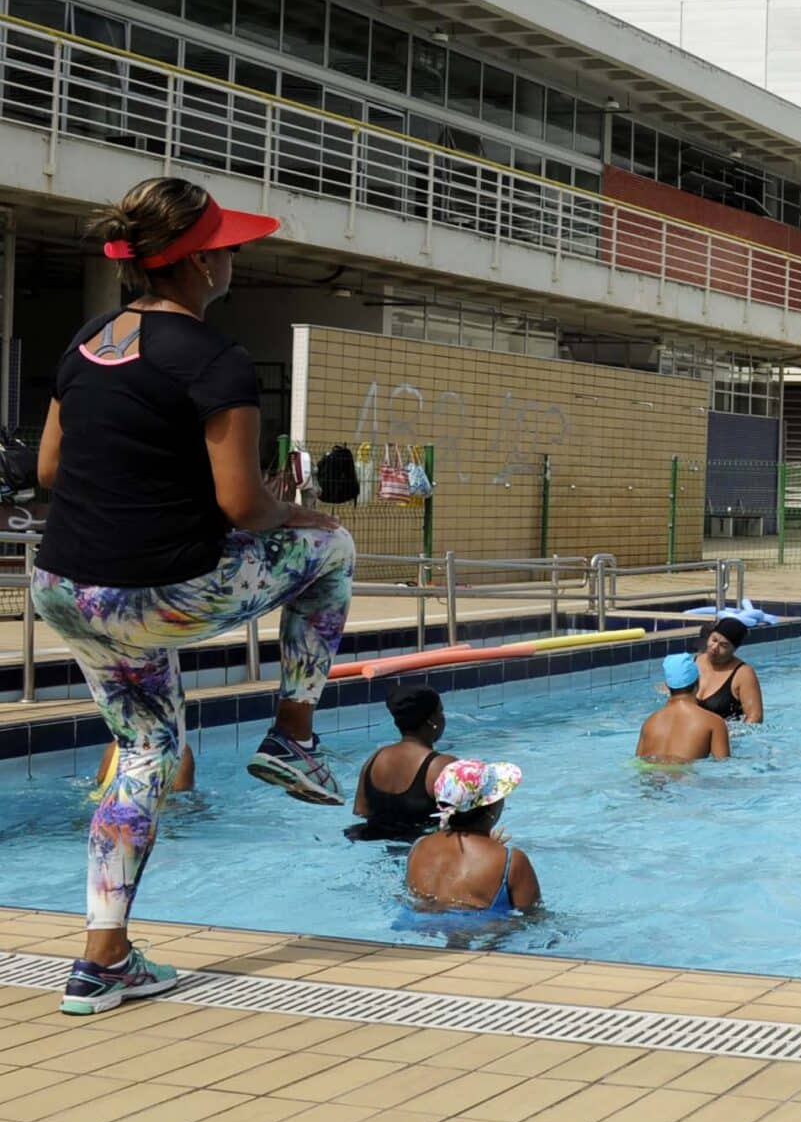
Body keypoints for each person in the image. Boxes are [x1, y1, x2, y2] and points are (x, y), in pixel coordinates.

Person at [33, 178, 355, 1016]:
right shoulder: (217, 360)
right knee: (333, 548)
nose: (236, 257)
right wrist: (298, 510)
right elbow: (245, 507)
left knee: (143, 753)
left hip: (63, 586)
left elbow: (50, 473)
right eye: (229, 246)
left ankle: (104, 961)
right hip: (153, 593)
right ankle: (293, 735)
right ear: (203, 261)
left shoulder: (89, 341)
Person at [406, 760, 540, 914]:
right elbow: (533, 918)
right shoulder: (512, 861)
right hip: (483, 933)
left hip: (416, 928)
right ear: (491, 808)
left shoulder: (419, 846)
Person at [348, 685, 457, 840]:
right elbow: (466, 821)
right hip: (424, 851)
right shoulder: (441, 766)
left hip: (377, 846)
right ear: (431, 721)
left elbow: (361, 812)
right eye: (441, 712)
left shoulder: (375, 759)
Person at [637, 653, 731, 764]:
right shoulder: (713, 722)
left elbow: (638, 761)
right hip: (685, 778)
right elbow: (724, 768)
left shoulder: (649, 722)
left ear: (667, 686)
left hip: (651, 777)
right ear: (698, 683)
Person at [695, 617, 763, 723]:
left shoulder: (743, 674)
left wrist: (724, 736)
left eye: (724, 645)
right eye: (714, 640)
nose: (715, 647)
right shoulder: (693, 663)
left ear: (734, 649)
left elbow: (755, 718)